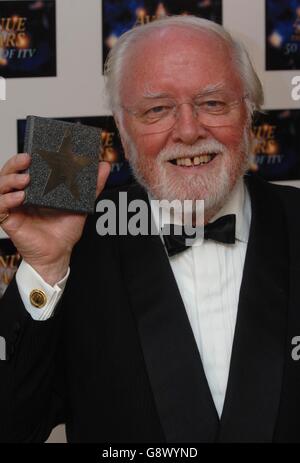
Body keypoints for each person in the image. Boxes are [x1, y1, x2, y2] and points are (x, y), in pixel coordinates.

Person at [0, 15, 300, 443]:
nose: (189, 130)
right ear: (122, 131)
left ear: (250, 113)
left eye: (213, 103)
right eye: (157, 109)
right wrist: (44, 271)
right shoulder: (78, 243)